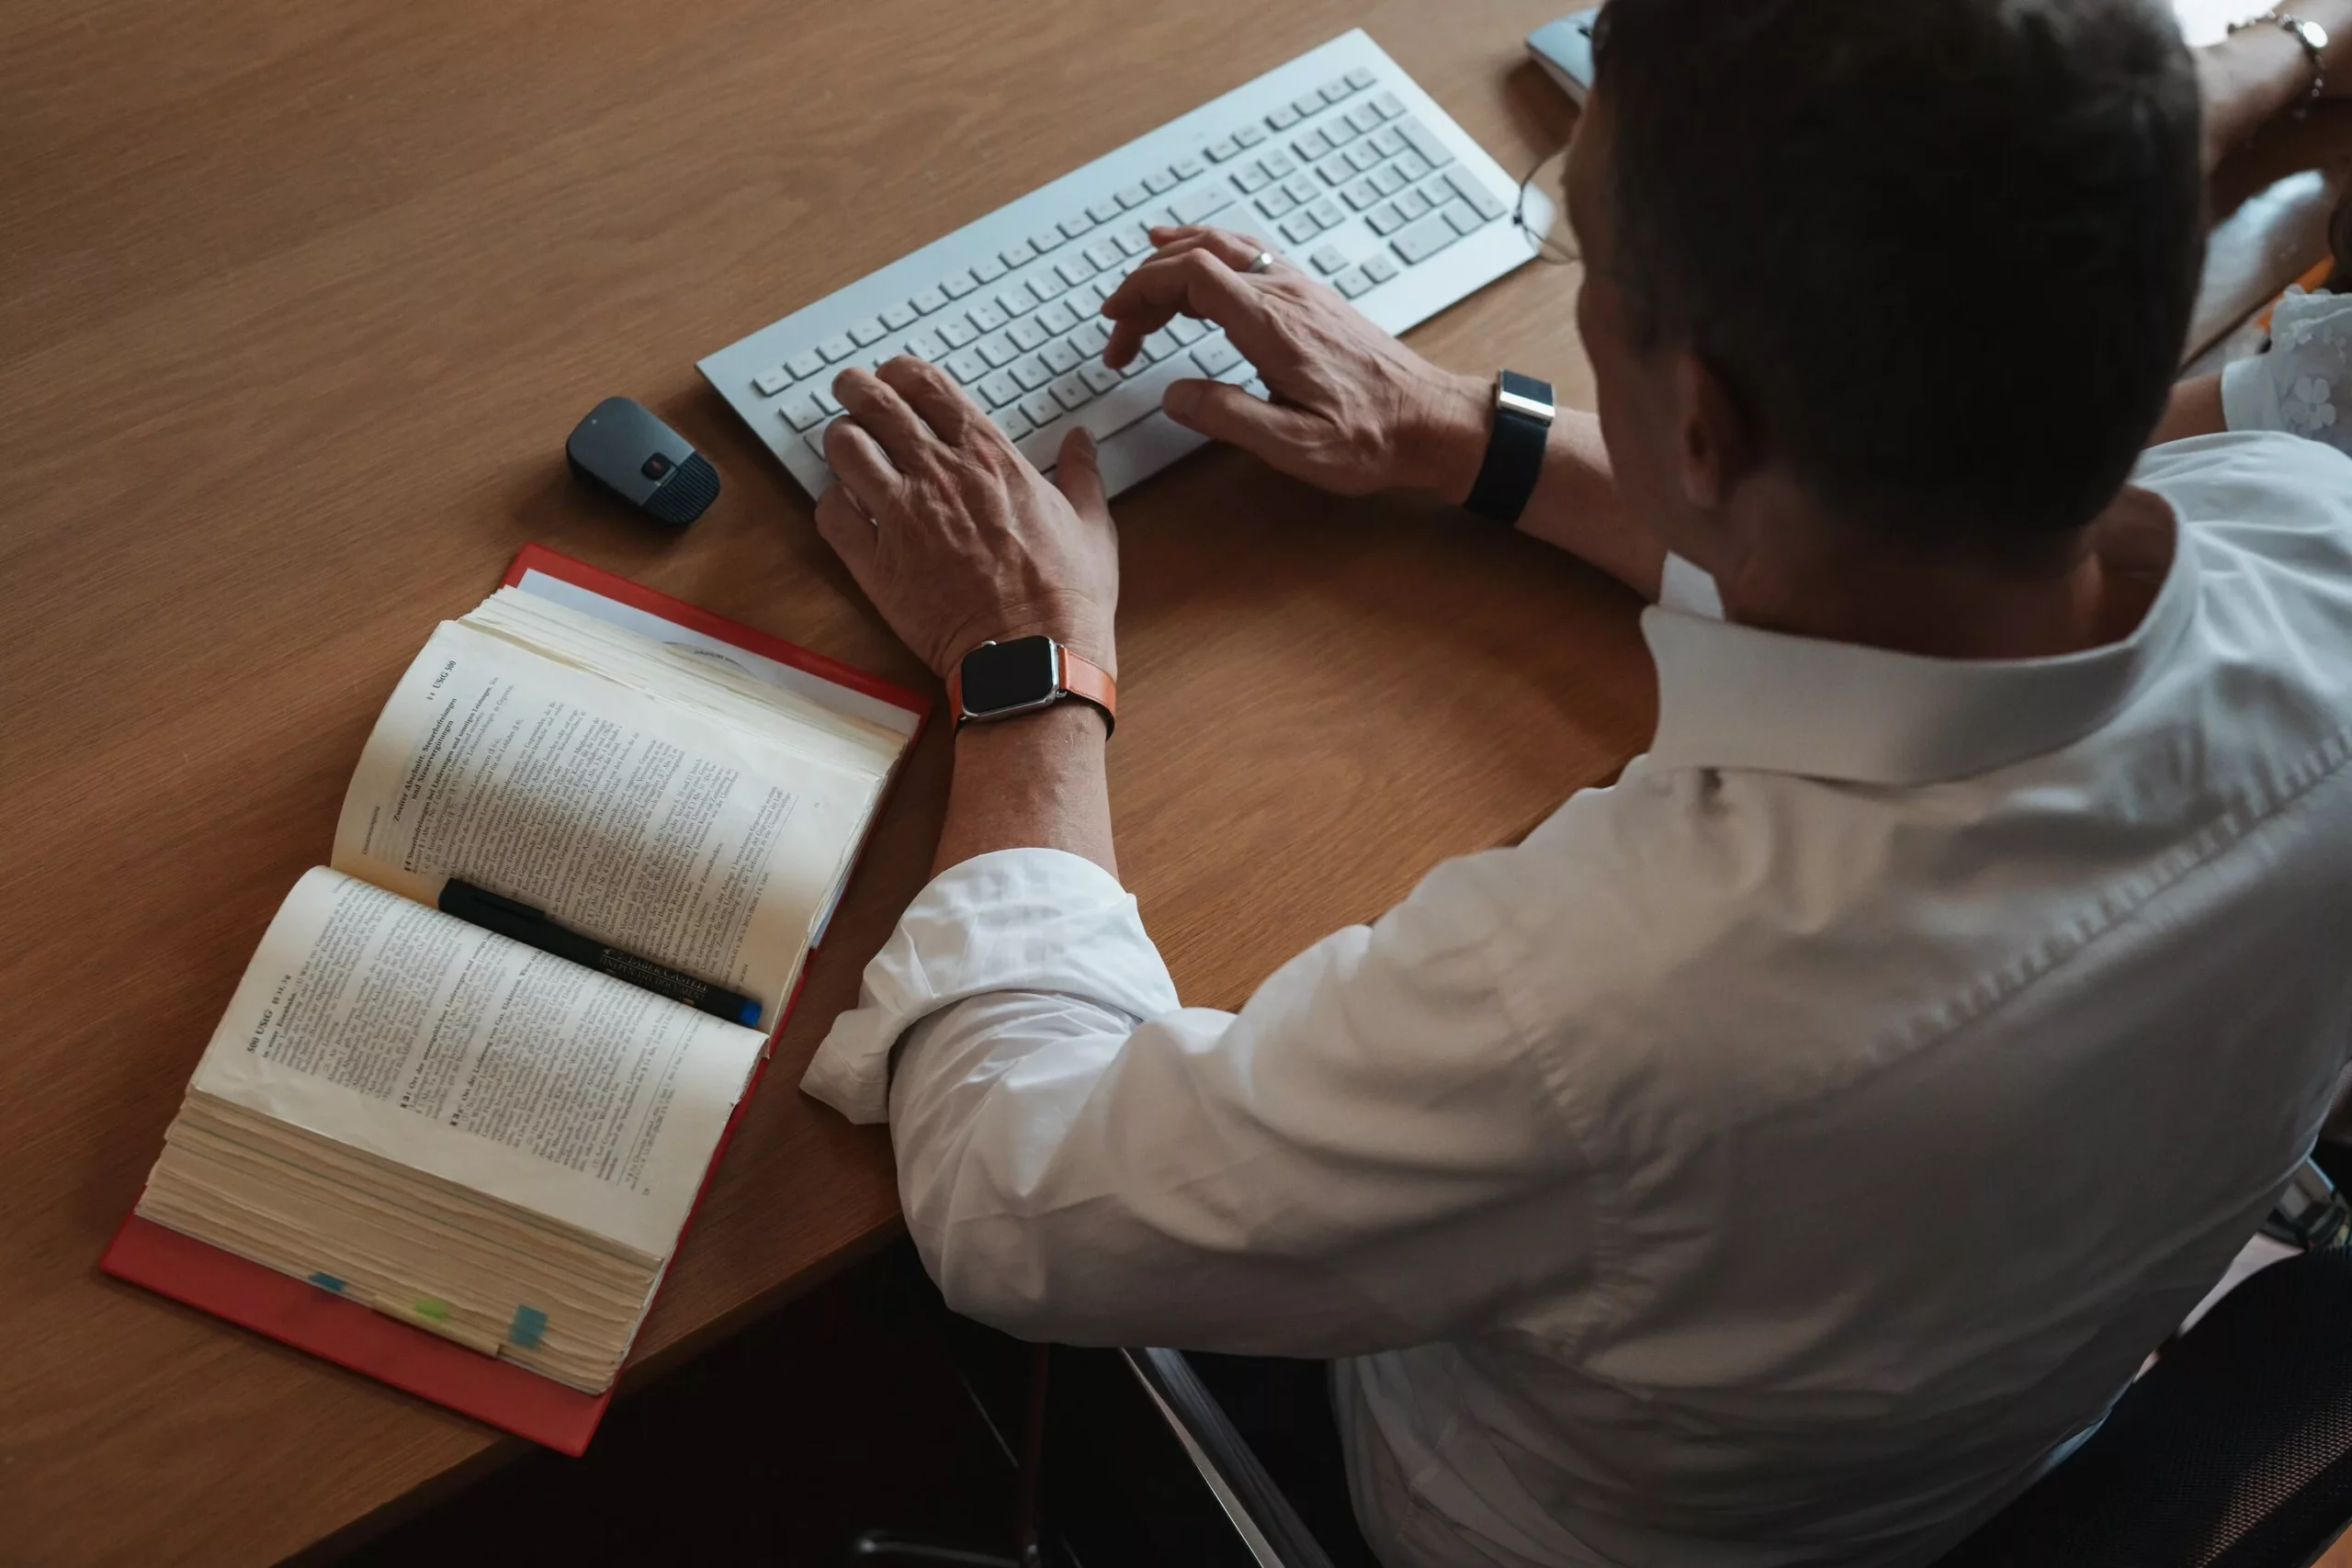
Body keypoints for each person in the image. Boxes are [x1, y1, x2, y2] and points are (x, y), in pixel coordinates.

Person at [797, 2, 2352, 1563]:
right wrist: (1463, 429)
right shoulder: (2314, 533)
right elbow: (1914, 546)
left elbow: (1011, 1199)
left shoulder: (1621, 999)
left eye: (1589, 258)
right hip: (1972, 1428)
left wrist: (1032, 665)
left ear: (1698, 421)